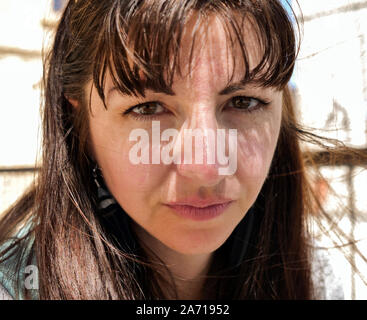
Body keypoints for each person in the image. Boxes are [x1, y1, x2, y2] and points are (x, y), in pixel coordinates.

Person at [0, 0, 364, 300]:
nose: (206, 167)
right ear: (80, 123)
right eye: (147, 108)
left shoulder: (315, 279)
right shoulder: (17, 285)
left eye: (243, 101)